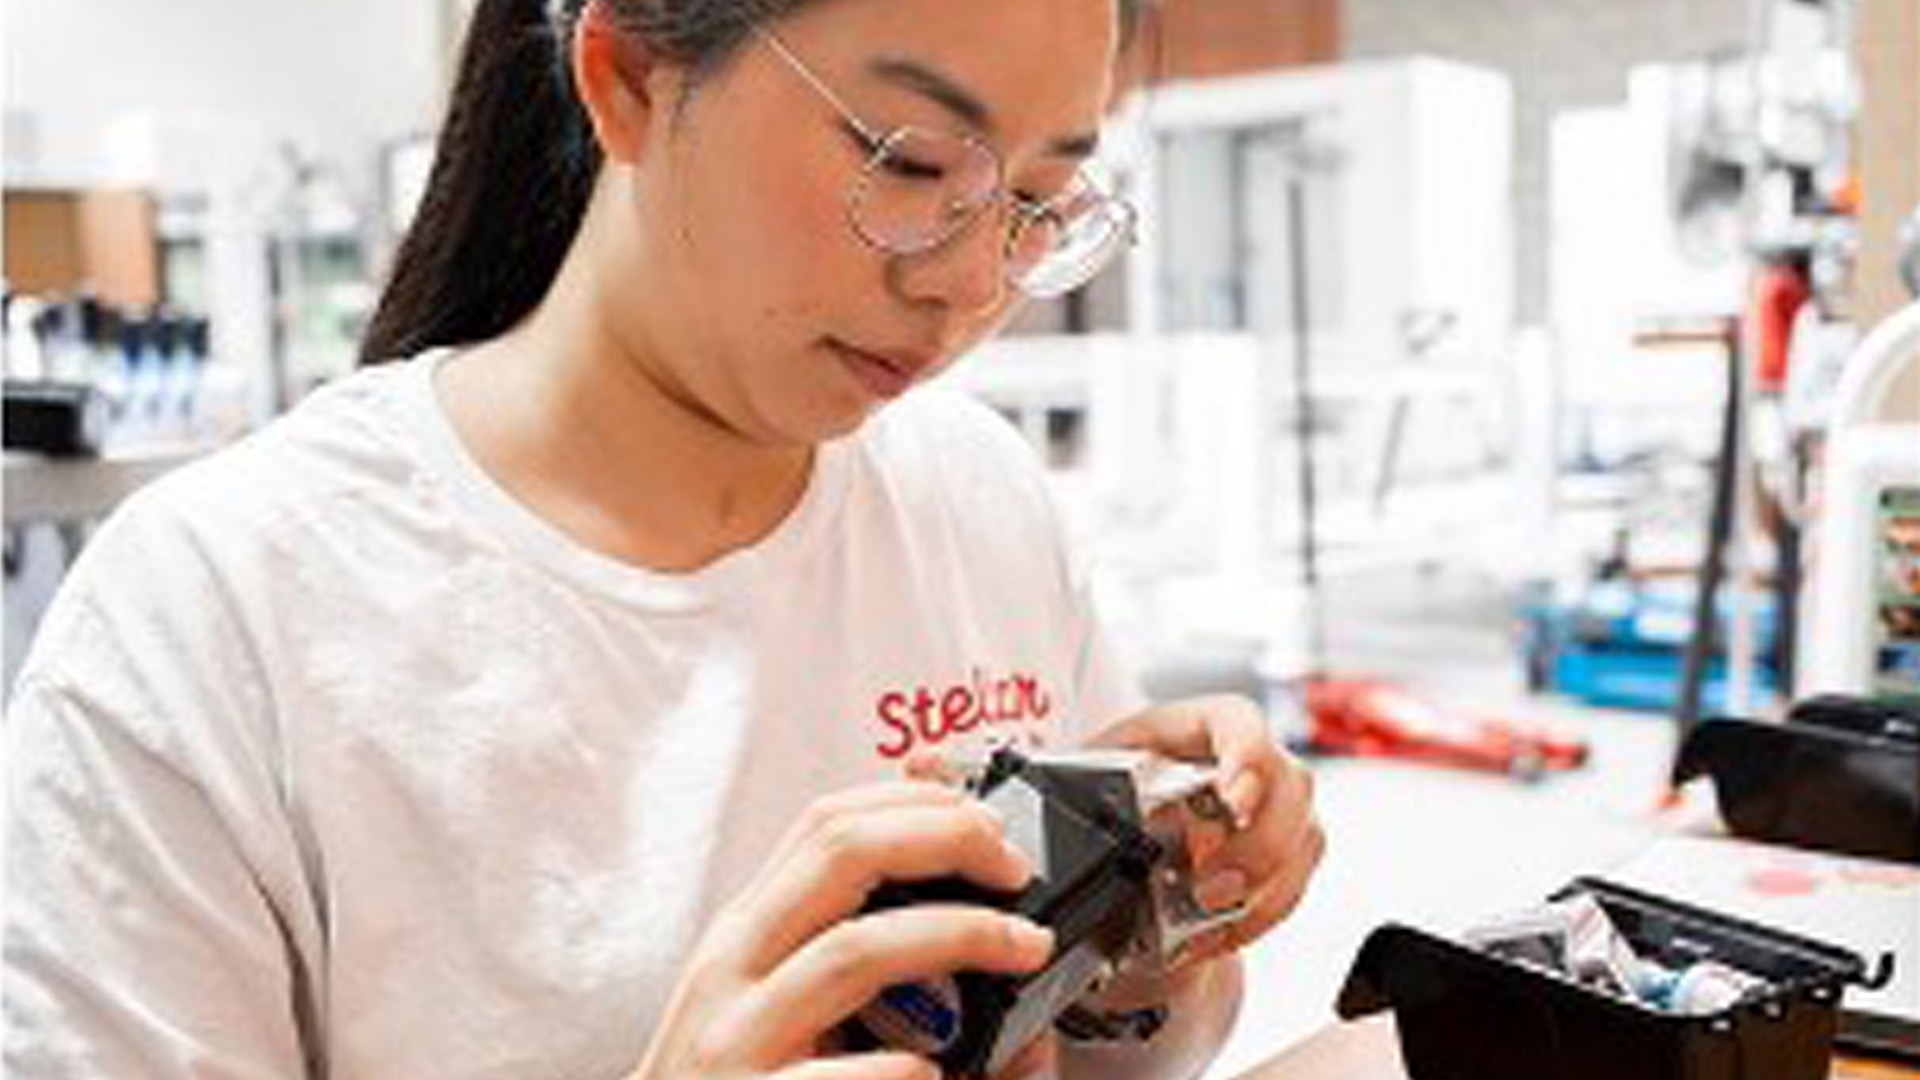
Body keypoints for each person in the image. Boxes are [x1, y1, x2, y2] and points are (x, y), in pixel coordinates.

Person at [4, 0, 1324, 1077]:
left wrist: (1147, 929)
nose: (970, 286)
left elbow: (1127, 1059)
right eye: (914, 164)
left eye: (1042, 199)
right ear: (630, 76)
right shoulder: (220, 613)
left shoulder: (975, 496)